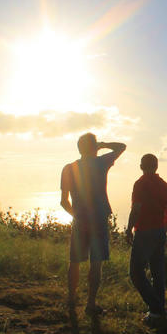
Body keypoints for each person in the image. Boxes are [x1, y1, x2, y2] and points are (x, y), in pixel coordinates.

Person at [60, 133, 125, 315]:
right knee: (96, 263)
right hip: (99, 219)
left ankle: (71, 300)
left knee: (74, 261)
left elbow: (64, 201)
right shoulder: (101, 163)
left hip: (80, 220)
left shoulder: (69, 168)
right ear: (94, 148)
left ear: (79, 148)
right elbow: (121, 146)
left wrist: (77, 216)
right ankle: (90, 304)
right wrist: (102, 145)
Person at [125, 153, 167, 324]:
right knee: (157, 273)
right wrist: (163, 231)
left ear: (141, 166)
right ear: (156, 166)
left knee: (136, 273)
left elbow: (136, 209)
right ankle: (158, 314)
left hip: (144, 232)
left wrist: (129, 229)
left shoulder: (140, 184)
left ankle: (156, 308)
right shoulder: (165, 185)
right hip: (159, 231)